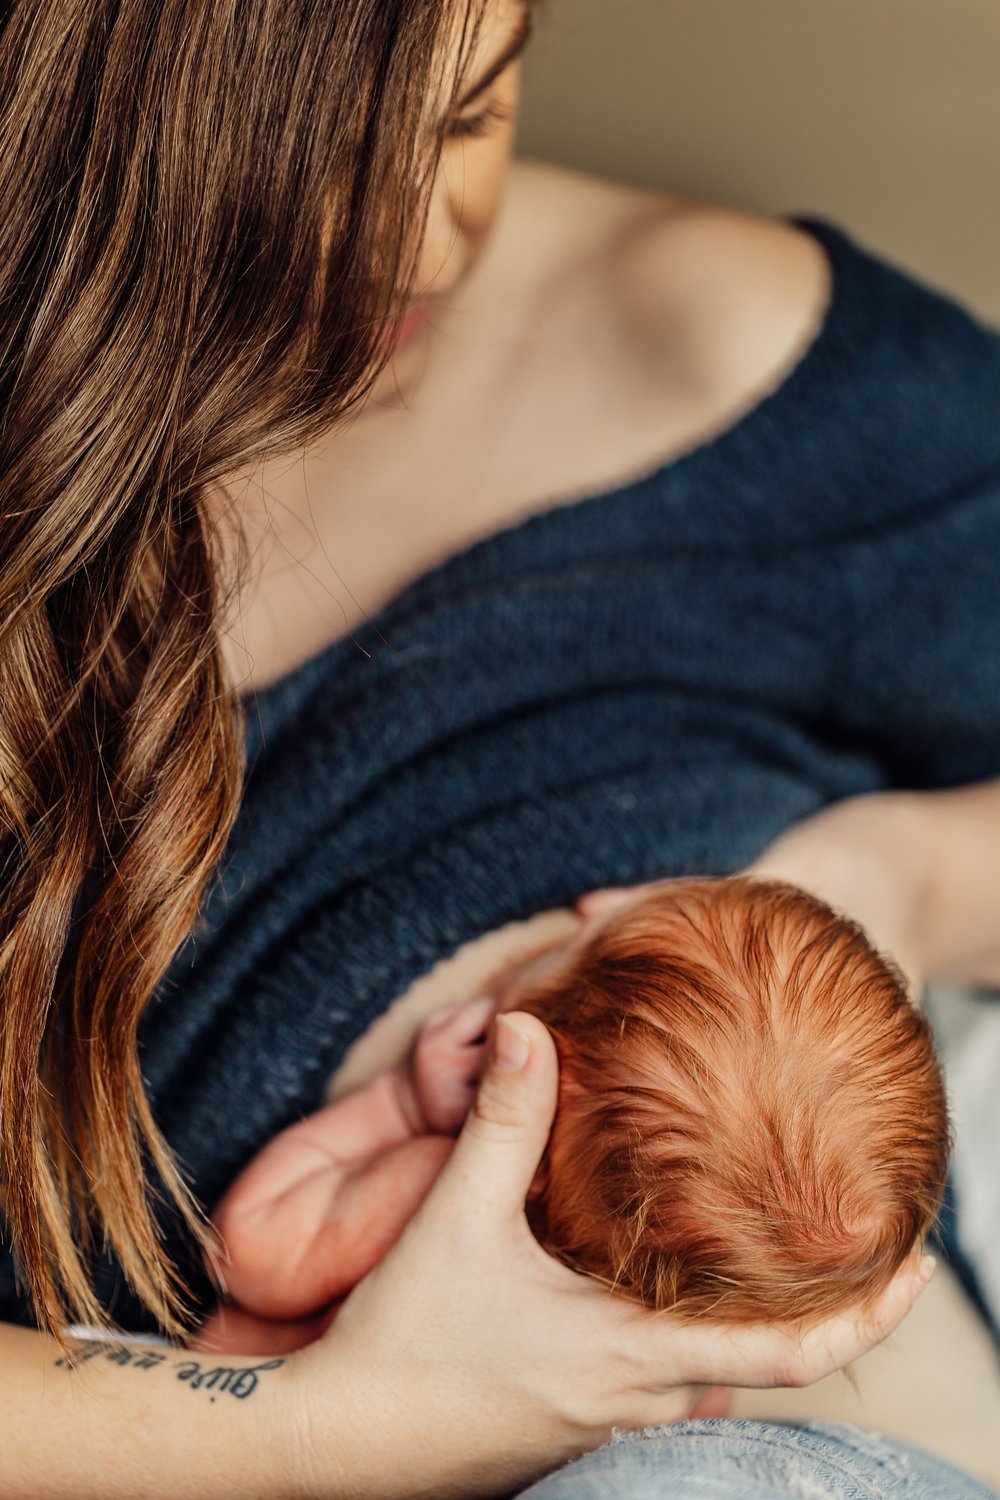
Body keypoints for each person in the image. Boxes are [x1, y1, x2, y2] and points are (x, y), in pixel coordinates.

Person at [1, 0, 999, 1493]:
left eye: (472, 109)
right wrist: (336, 1431)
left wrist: (903, 877)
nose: (416, 242)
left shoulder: (751, 379)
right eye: (296, 158)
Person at [191, 876, 949, 1358]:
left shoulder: (431, 1193)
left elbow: (249, 1258)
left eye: (579, 943)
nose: (600, 899)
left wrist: (396, 1108)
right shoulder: (655, 1359)